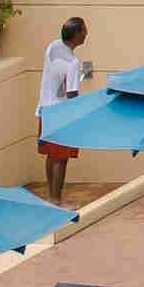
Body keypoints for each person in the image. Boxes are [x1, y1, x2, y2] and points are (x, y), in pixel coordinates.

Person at [38, 17, 92, 203]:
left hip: (45, 109)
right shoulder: (73, 63)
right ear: (76, 35)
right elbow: (71, 94)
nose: (87, 34)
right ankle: (56, 200)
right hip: (61, 113)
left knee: (51, 155)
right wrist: (79, 114)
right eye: (84, 30)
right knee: (61, 158)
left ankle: (50, 197)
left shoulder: (52, 47)